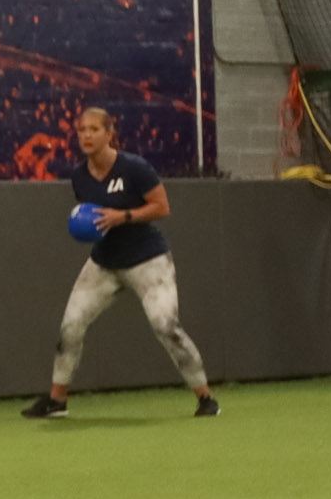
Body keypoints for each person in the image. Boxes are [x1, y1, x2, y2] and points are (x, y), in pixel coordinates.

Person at [23, 106, 218, 420]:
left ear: (109, 133)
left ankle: (205, 398)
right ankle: (57, 401)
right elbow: (93, 219)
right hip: (105, 262)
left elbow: (162, 208)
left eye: (94, 129)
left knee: (165, 326)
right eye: (82, 130)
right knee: (71, 326)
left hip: (148, 260)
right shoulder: (79, 177)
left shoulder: (134, 168)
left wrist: (122, 216)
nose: (86, 135)